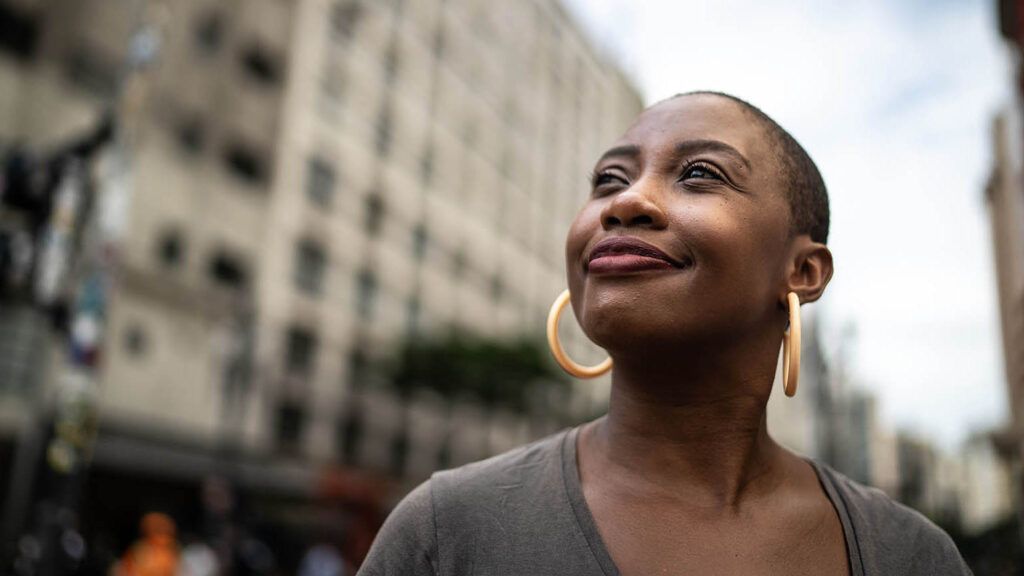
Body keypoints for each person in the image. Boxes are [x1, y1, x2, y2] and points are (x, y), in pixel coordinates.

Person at [356, 92, 971, 575]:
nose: (624, 204)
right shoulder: (448, 530)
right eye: (608, 181)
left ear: (804, 271)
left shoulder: (911, 555)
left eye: (700, 173)